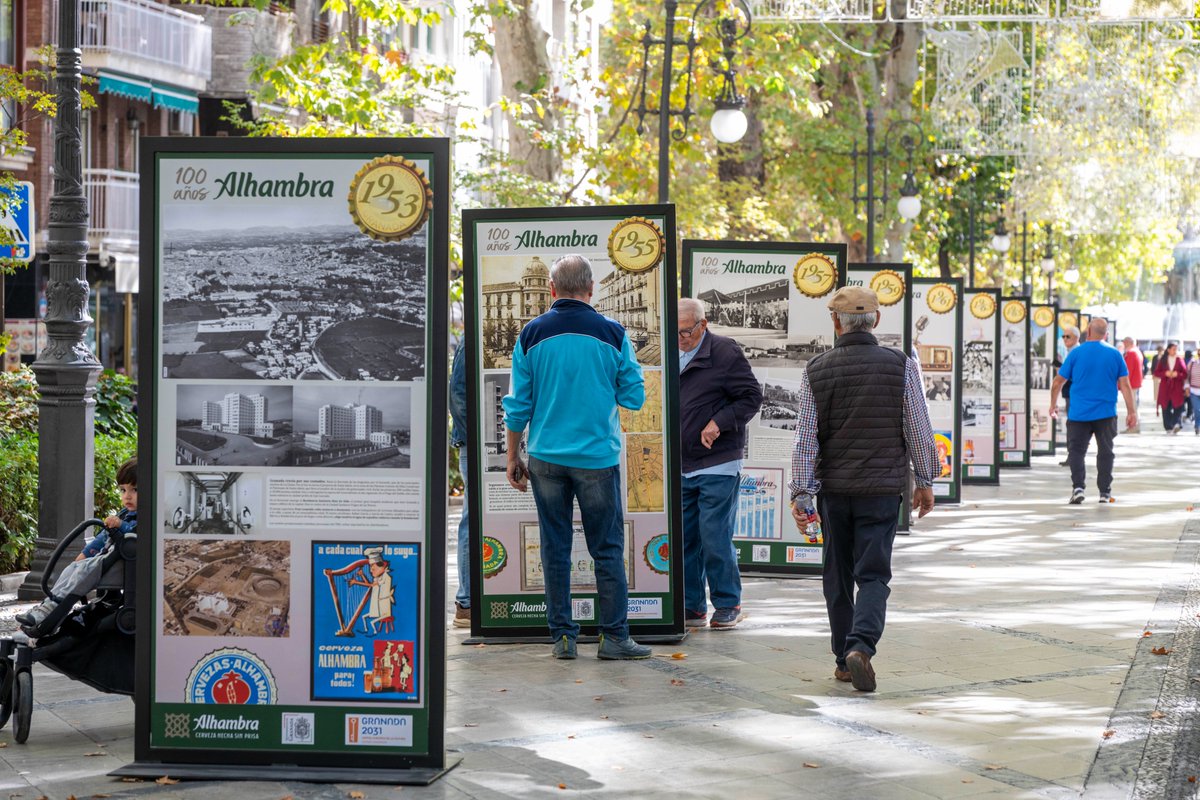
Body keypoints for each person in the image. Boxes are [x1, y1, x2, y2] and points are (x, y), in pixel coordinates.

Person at [788, 287, 939, 693]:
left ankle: (842, 659)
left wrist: (802, 493)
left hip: (834, 491)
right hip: (882, 489)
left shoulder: (816, 369)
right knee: (873, 574)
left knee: (837, 574)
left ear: (835, 322)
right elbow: (920, 430)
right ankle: (862, 647)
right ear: (876, 320)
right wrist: (925, 481)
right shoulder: (901, 365)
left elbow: (805, 440)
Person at [502, 254, 649, 661]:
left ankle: (563, 637)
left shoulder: (530, 334)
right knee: (606, 548)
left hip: (546, 457)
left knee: (554, 548)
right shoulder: (613, 332)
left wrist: (513, 455)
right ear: (591, 288)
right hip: (596, 458)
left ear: (551, 290)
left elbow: (517, 405)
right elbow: (634, 397)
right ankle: (615, 637)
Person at [676, 297, 763, 630]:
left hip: (718, 462)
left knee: (714, 534)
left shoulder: (725, 352)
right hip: (680, 463)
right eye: (677, 332)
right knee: (685, 538)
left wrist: (719, 422)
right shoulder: (667, 352)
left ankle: (728, 603)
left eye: (687, 332)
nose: (681, 338)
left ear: (703, 324)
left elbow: (751, 397)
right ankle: (692, 605)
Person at [16, 457, 138, 637]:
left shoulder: (143, 516)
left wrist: (121, 525)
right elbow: (101, 539)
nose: (127, 496)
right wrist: (85, 554)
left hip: (124, 567)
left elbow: (138, 538)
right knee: (73, 569)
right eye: (123, 490)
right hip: (108, 561)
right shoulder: (125, 514)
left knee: (82, 573)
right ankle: (47, 607)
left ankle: (48, 613)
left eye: (135, 490)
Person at [1050, 318, 1138, 504]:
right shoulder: (1115, 354)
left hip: (1079, 413)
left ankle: (1078, 488)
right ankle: (1104, 492)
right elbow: (1126, 385)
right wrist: (1132, 411)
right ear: (1106, 334)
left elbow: (1058, 381)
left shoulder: (1076, 354)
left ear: (1088, 331)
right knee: (1106, 452)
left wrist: (1053, 404)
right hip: (1106, 413)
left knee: (1076, 452)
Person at [449, 339, 471, 628]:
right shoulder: (470, 340)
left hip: (476, 441)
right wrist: (479, 435)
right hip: (473, 443)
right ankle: (466, 602)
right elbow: (458, 395)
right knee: (472, 517)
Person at [1057, 326, 1080, 466]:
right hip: (1069, 393)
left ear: (1076, 338)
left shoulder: (1076, 352)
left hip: (1073, 393)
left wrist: (1062, 371)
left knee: (1073, 425)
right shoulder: (1070, 351)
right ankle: (1072, 456)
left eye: (1068, 336)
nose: (1065, 339)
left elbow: (1075, 374)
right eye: (1063, 336)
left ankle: (1073, 456)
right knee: (1071, 424)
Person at [1154, 342, 1187, 434]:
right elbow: (1156, 372)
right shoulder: (1163, 360)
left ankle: (1176, 423)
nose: (1175, 351)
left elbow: (1185, 374)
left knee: (1178, 406)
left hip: (1177, 387)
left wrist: (1177, 374)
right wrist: (1165, 373)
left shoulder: (1179, 360)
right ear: (1168, 350)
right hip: (1165, 387)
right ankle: (1168, 426)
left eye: (1176, 349)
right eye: (1173, 349)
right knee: (1166, 406)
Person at [1122, 337, 1144, 414]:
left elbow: (1128, 370)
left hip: (1132, 382)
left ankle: (1134, 421)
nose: (1123, 345)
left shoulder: (1131, 353)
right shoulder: (1137, 351)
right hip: (1136, 382)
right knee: (1135, 401)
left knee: (1132, 403)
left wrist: (1124, 383)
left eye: (1124, 343)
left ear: (1128, 342)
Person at [1188, 349, 1200, 435]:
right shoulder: (1192, 363)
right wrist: (1186, 387)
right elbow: (1186, 375)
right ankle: (1197, 425)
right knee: (1197, 409)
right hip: (1194, 390)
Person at [1151, 345, 1165, 416]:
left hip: (1162, 375)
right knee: (1156, 388)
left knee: (1162, 388)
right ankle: (1156, 399)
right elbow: (1153, 366)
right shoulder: (1155, 357)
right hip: (1156, 375)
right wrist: (1152, 374)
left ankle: (1161, 399)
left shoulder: (1164, 357)